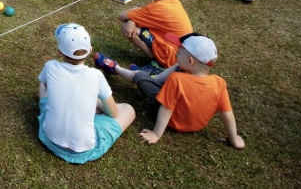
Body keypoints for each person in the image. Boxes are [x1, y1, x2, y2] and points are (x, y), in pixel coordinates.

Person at [94, 32, 244, 149]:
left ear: (190, 61)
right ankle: (143, 79)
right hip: (197, 126)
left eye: (179, 52)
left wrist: (156, 134)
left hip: (172, 121)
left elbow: (166, 109)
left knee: (139, 76)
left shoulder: (177, 79)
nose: (175, 53)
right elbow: (227, 114)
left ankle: (116, 68)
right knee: (156, 77)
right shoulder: (219, 82)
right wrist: (234, 138)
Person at [37, 23, 135, 164]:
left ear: (59, 51)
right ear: (90, 50)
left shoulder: (50, 66)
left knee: (43, 82)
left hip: (49, 137)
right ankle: (93, 104)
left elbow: (46, 85)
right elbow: (113, 114)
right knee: (128, 109)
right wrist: (95, 100)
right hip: (83, 149)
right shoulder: (96, 76)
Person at [116, 0, 192, 74]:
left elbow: (121, 16)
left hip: (173, 58)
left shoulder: (157, 8)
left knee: (126, 26)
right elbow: (141, 14)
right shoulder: (172, 2)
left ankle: (157, 60)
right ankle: (157, 57)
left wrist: (131, 20)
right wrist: (133, 19)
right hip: (182, 54)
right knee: (132, 23)